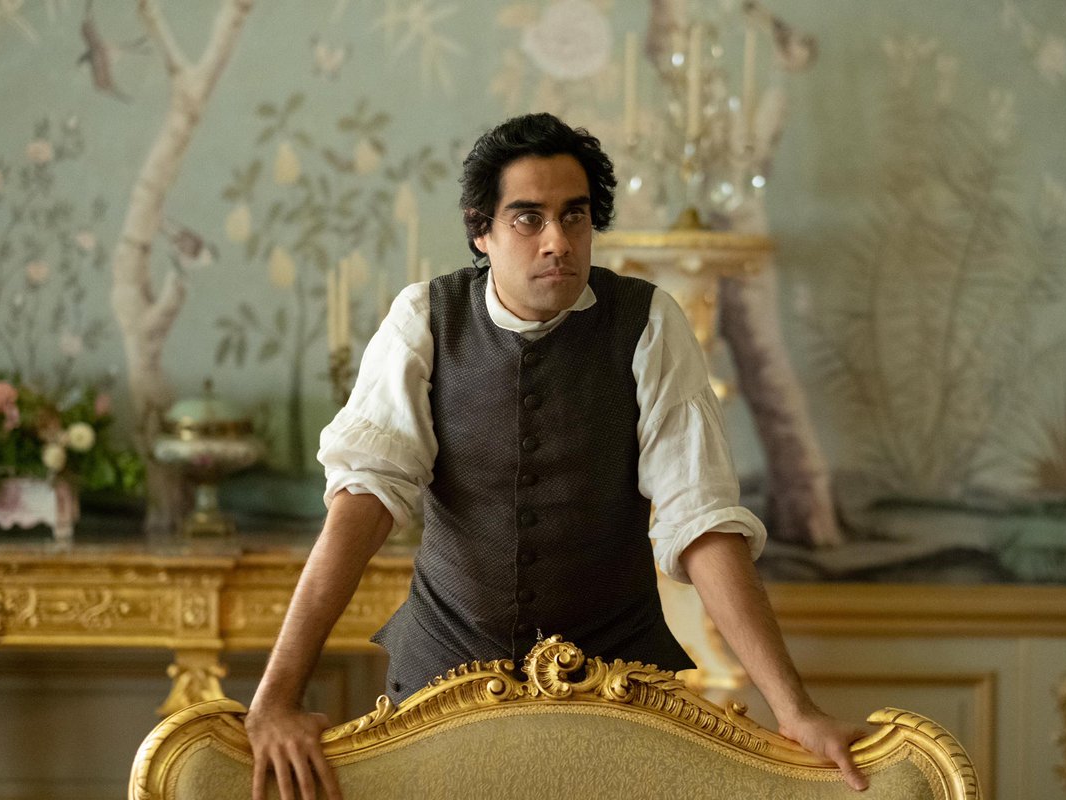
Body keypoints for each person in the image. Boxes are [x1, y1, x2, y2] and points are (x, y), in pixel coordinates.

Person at [245, 112, 868, 800]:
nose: (557, 242)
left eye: (574, 216)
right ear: (481, 230)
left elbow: (703, 524)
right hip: (441, 690)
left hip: (617, 692)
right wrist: (275, 699)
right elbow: (362, 504)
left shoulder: (650, 322)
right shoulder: (424, 319)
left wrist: (794, 709)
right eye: (528, 218)